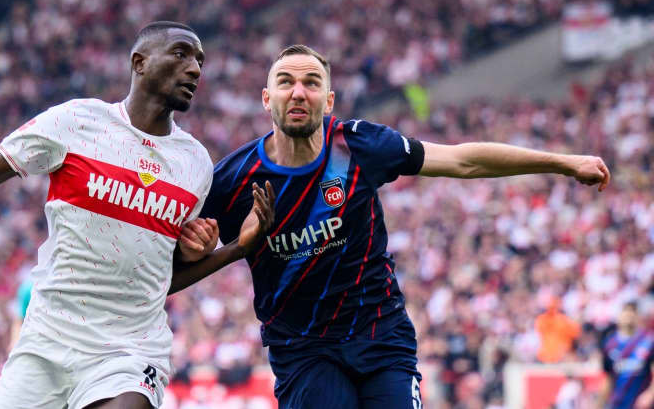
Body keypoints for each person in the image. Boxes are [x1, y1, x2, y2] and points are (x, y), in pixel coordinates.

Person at [168, 44, 611, 409]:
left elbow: (462, 159)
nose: (298, 93)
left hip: (381, 335)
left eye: (311, 83)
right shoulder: (231, 181)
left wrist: (563, 163)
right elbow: (169, 268)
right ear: (267, 100)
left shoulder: (358, 145)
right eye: (285, 82)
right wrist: (193, 250)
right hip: (303, 352)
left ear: (329, 100)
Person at [0, 21, 272, 409]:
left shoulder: (195, 163)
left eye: (200, 60)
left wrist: (230, 249)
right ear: (139, 62)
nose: (195, 68)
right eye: (182, 54)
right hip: (48, 340)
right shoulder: (76, 121)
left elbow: (160, 278)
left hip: (129, 349)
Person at [599, 302, 654, 409]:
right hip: (618, 403)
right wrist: (600, 404)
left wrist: (650, 394)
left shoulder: (649, 341)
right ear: (619, 315)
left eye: (633, 311)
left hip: (641, 403)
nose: (629, 314)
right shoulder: (610, 344)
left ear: (638, 316)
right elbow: (608, 378)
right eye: (626, 310)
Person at [535, 297, 582, 363]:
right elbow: (577, 332)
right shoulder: (563, 320)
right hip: (559, 356)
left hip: (546, 356)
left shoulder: (541, 319)